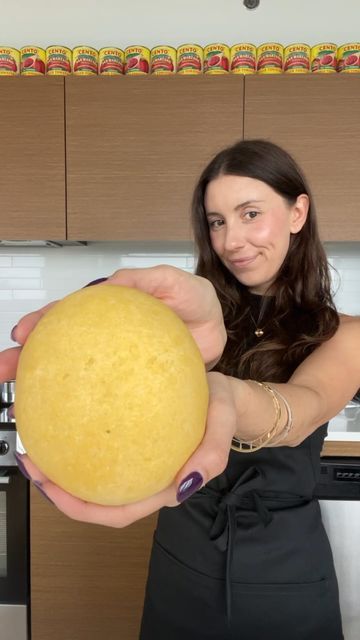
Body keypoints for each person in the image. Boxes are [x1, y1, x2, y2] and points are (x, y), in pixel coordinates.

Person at [1, 139, 359, 639]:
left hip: (286, 574)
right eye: (217, 221)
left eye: (250, 213)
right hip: (182, 558)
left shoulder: (347, 334)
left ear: (298, 212)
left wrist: (229, 397)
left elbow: (304, 407)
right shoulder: (182, 327)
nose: (232, 239)